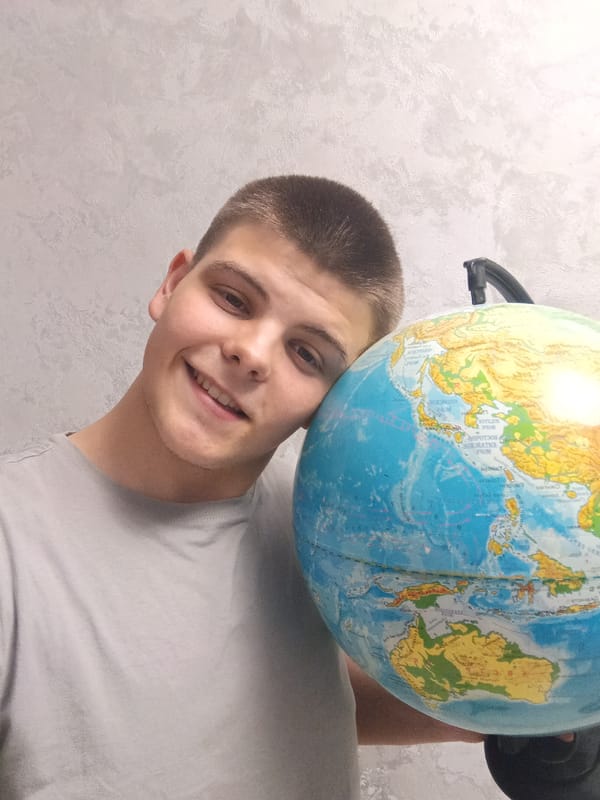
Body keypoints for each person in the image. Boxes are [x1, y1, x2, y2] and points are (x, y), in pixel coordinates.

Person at [0, 175, 481, 799]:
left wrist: (497, 711)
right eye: (233, 298)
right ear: (173, 283)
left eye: (307, 354)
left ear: (333, 403)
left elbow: (295, 701)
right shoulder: (14, 546)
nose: (252, 353)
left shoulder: (328, 527)